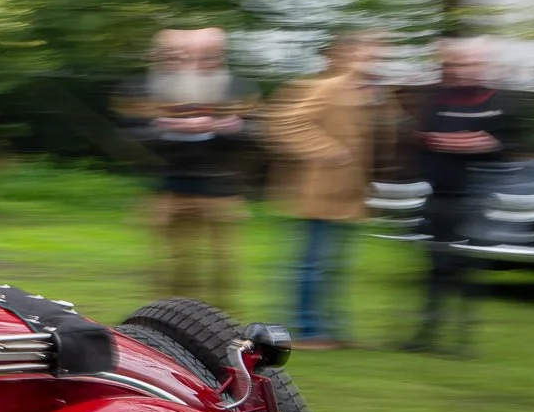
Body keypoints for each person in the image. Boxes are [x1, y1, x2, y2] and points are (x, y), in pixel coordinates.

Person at [115, 28, 257, 309]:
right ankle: (168, 320)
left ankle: (222, 324)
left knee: (223, 264)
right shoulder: (143, 89)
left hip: (220, 190)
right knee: (173, 263)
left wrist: (222, 127)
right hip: (167, 189)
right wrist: (166, 126)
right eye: (174, 54)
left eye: (212, 55)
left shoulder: (238, 88)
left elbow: (254, 133)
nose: (202, 60)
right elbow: (130, 136)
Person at [264, 30, 384, 350]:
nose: (374, 60)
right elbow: (288, 121)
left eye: (376, 54)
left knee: (334, 268)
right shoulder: (328, 87)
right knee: (312, 265)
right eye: (366, 53)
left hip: (350, 194)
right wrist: (326, 149)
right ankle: (307, 330)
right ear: (342, 55)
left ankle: (331, 329)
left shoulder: (367, 93)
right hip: (320, 193)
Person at [406, 37, 519, 354]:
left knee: (468, 269)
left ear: (484, 65)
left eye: (473, 63)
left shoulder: (500, 100)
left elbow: (509, 144)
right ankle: (425, 335)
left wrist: (487, 145)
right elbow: (423, 137)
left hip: (477, 198)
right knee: (436, 268)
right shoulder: (437, 99)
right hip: (439, 196)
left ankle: (463, 339)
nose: (466, 69)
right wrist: (453, 142)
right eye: (460, 63)